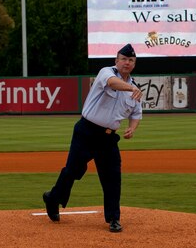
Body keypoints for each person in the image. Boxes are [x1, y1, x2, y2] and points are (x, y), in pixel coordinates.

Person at [43, 43, 143, 233]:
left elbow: (136, 113)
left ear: (134, 64)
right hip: (86, 132)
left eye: (131, 60)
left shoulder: (135, 88)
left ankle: (114, 218)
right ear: (117, 60)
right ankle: (53, 198)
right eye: (124, 59)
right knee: (73, 170)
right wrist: (130, 90)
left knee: (112, 177)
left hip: (108, 138)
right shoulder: (107, 72)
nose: (127, 63)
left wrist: (132, 128)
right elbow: (113, 83)